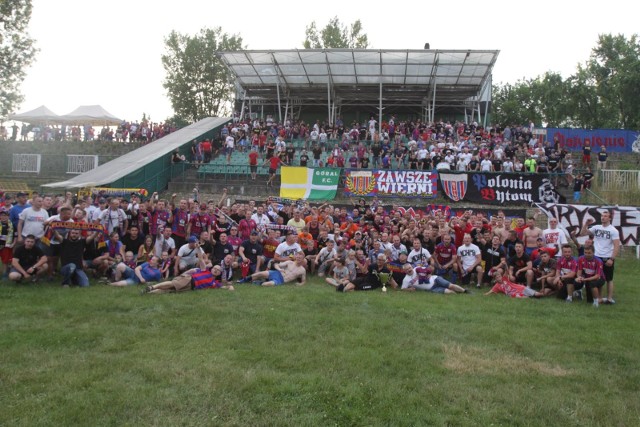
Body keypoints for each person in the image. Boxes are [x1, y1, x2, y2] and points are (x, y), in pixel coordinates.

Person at [579, 211, 620, 304]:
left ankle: (609, 299)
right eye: (602, 216)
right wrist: (586, 224)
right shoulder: (596, 227)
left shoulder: (613, 230)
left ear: (610, 218)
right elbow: (582, 233)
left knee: (609, 279)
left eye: (605, 216)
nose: (603, 217)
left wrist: (611, 259)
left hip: (607, 257)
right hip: (596, 257)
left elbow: (616, 245)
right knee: (597, 278)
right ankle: (599, 298)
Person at [142, 263, 234, 294]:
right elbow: (200, 260)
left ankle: (149, 293)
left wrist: (231, 287)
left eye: (218, 270)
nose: (215, 270)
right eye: (214, 268)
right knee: (172, 284)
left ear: (219, 273)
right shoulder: (204, 270)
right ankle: (152, 287)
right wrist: (182, 274)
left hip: (191, 288)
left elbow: (225, 288)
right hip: (189, 279)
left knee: (169, 290)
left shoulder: (215, 283)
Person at [401, 263, 467, 294]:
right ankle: (458, 294)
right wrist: (409, 289)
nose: (409, 270)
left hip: (435, 279)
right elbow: (403, 289)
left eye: (409, 268)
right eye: (407, 269)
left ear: (411, 267)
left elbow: (428, 270)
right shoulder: (406, 279)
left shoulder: (417, 269)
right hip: (432, 289)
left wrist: (429, 274)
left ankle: (465, 291)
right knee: (448, 292)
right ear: (404, 271)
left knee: (451, 285)